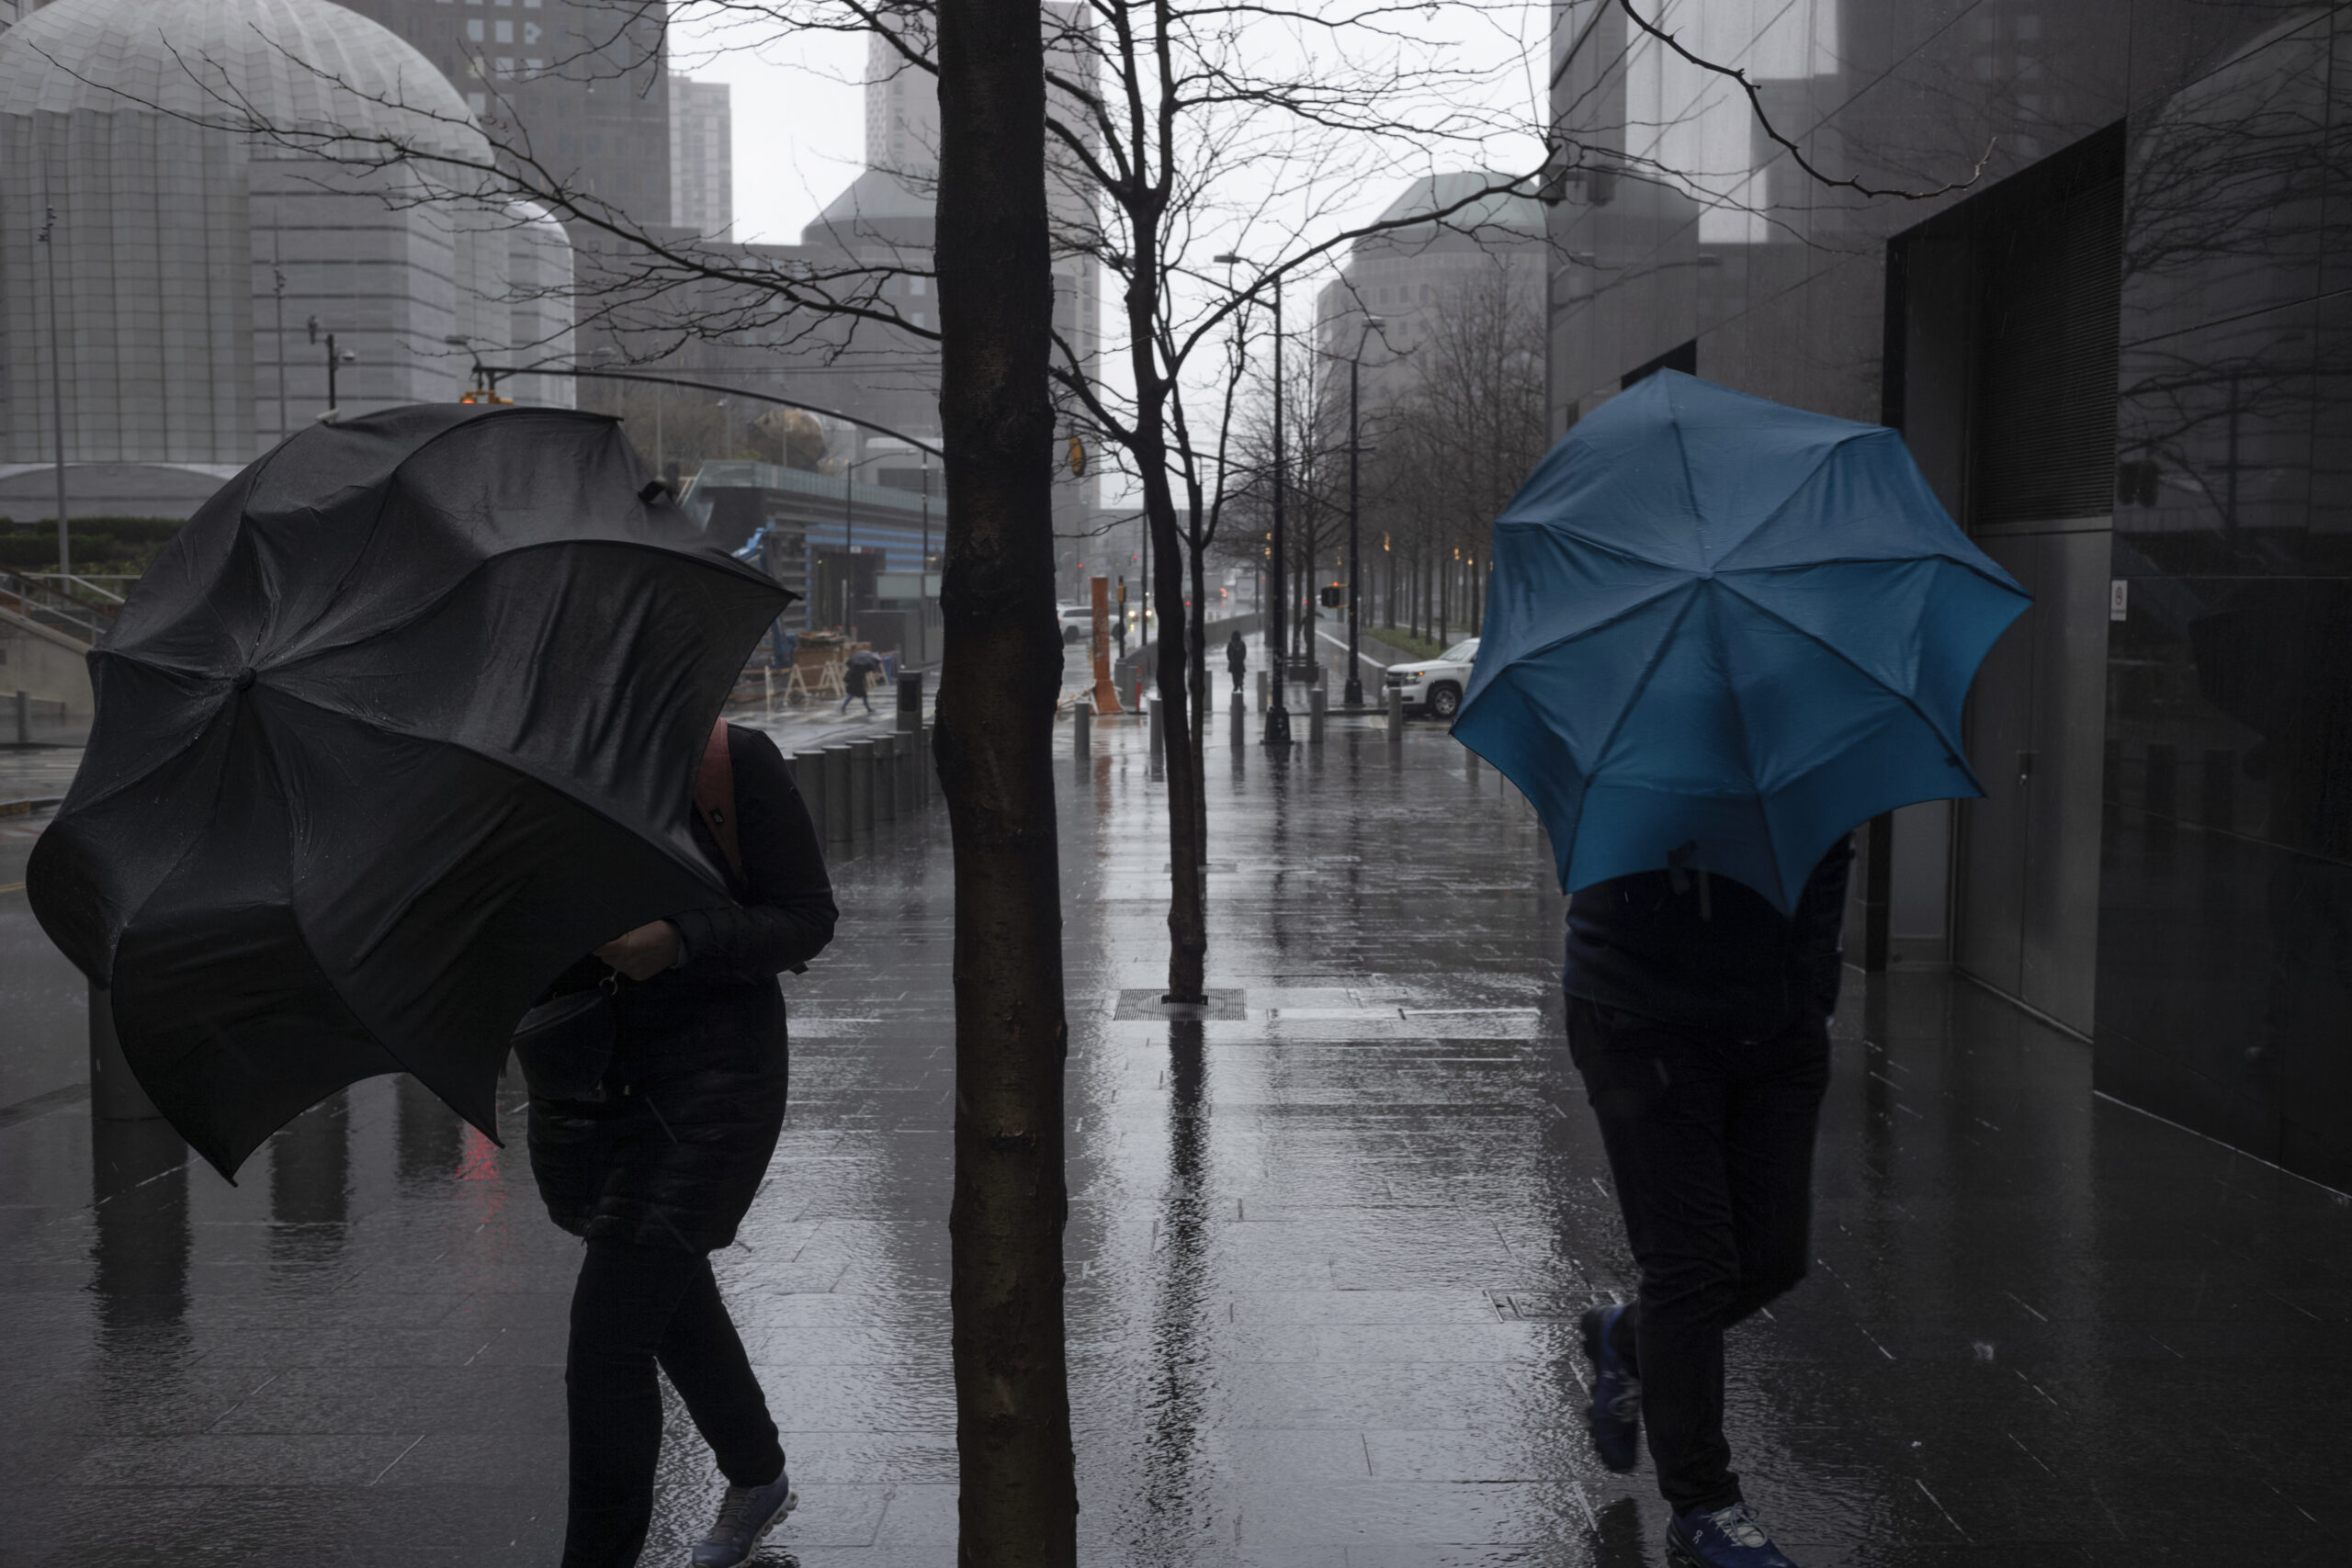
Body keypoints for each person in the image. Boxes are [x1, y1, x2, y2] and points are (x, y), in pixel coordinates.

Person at [526, 723, 837, 1568]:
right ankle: (757, 1472)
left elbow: (806, 917)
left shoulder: (725, 763)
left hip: (711, 1085)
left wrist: (679, 938)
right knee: (667, 1292)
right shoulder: (529, 770)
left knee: (609, 1339)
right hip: (586, 1083)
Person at [1564, 837, 1853, 1568]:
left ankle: (1628, 1339)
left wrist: (1812, 993)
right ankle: (1704, 1507)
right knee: (1690, 1265)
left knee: (1771, 1256)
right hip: (1640, 1012)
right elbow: (1598, 860)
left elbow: (1829, 861)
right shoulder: (1640, 740)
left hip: (1777, 1023)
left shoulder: (1806, 733)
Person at [841, 648, 884, 715]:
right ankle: (868, 708)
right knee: (861, 696)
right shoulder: (860, 668)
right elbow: (859, 676)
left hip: (855, 684)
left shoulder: (854, 666)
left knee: (852, 695)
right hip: (857, 684)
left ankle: (843, 707)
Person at [1226, 628, 1248, 696]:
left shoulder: (1230, 643)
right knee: (1240, 674)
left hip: (1233, 662)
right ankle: (1240, 684)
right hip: (1240, 662)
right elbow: (1244, 652)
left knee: (1234, 675)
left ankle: (1236, 686)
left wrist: (1230, 659)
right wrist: (1242, 658)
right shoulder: (1242, 643)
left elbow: (1227, 652)